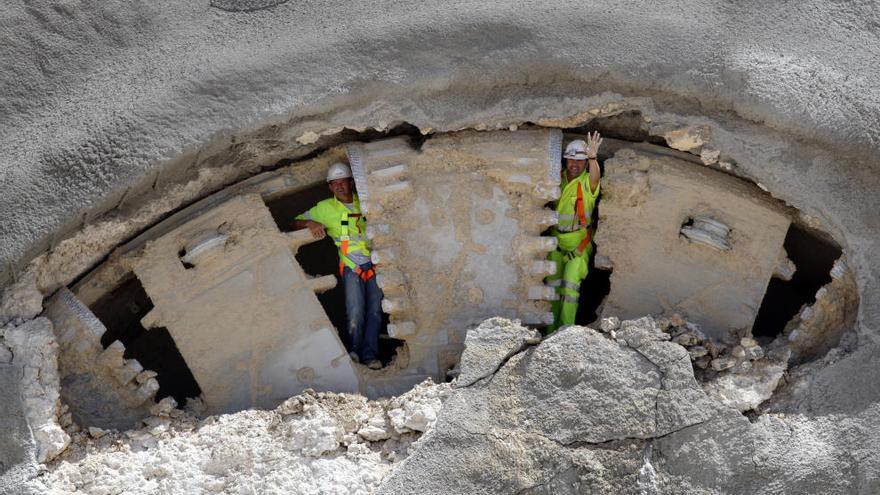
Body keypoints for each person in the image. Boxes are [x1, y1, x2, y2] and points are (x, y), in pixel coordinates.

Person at [293, 162, 383, 369]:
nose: (339, 186)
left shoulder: (366, 202)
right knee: (355, 310)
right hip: (351, 266)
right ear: (330, 187)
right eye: (334, 183)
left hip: (376, 263)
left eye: (343, 182)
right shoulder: (325, 208)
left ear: (351, 183)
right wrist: (310, 223)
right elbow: (294, 221)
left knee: (376, 311)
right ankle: (353, 353)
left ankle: (370, 356)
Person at [545, 132, 602, 333]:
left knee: (570, 288)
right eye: (571, 160)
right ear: (565, 160)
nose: (575, 165)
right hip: (556, 241)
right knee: (552, 289)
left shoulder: (587, 182)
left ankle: (564, 332)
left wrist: (593, 158)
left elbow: (596, 179)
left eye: (580, 161)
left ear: (585, 163)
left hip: (579, 243)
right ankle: (548, 331)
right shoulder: (557, 179)